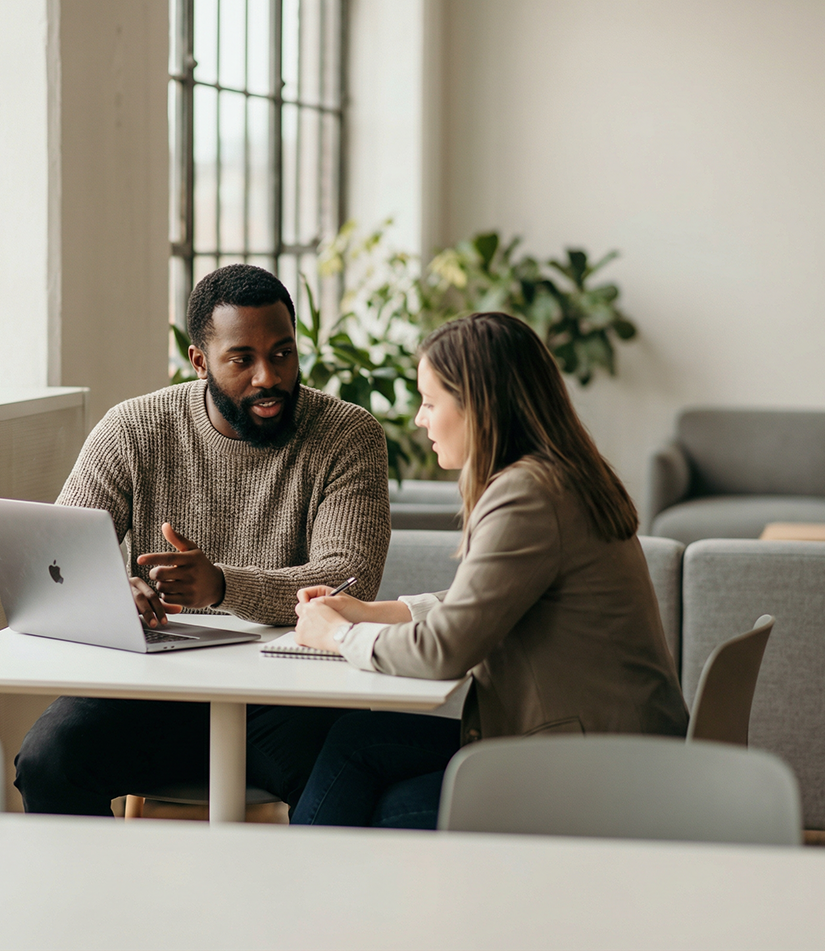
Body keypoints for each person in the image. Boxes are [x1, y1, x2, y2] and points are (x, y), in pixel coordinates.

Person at [14, 263, 392, 816]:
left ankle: (308, 903)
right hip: (150, 693)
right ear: (199, 362)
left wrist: (221, 584)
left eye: (283, 353)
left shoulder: (346, 434)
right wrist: (114, 593)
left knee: (347, 777)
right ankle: (92, 900)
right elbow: (56, 560)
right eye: (242, 359)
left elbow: (349, 575)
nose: (269, 376)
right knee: (48, 759)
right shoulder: (135, 431)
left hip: (288, 697)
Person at [290, 311, 689, 829]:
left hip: (594, 767)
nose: (419, 419)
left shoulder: (528, 494)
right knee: (355, 742)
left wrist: (341, 634)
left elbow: (445, 650)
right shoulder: (554, 474)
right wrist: (370, 611)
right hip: (607, 742)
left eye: (430, 402)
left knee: (394, 810)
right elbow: (477, 599)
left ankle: (303, 897)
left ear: (478, 406)